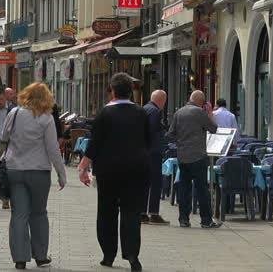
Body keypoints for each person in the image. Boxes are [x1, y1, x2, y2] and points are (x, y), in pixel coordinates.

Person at [78, 73, 150, 271]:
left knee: (107, 212)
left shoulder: (104, 114)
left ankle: (108, 254)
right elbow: (149, 141)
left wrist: (83, 167)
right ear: (131, 91)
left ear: (112, 91)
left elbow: (94, 143)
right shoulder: (141, 113)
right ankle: (132, 255)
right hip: (136, 169)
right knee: (132, 212)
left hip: (109, 171)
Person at [4, 83, 67, 270]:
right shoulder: (46, 118)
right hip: (39, 171)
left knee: (19, 214)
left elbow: (3, 135)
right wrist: (61, 174)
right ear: (47, 98)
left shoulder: (13, 113)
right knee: (39, 213)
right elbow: (53, 149)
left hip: (15, 169)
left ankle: (20, 259)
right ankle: (40, 256)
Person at [167, 90, 220, 230]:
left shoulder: (179, 113)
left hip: (183, 157)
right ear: (201, 102)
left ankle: (184, 219)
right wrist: (209, 114)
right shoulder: (199, 112)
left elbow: (170, 134)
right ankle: (206, 220)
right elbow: (213, 128)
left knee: (184, 188)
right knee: (201, 189)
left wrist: (181, 141)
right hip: (198, 156)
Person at [141, 89, 169, 225]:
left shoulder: (144, 108)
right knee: (156, 183)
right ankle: (154, 213)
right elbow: (152, 131)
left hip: (144, 152)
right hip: (153, 152)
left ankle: (142, 213)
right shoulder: (155, 111)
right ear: (161, 100)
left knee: (145, 183)